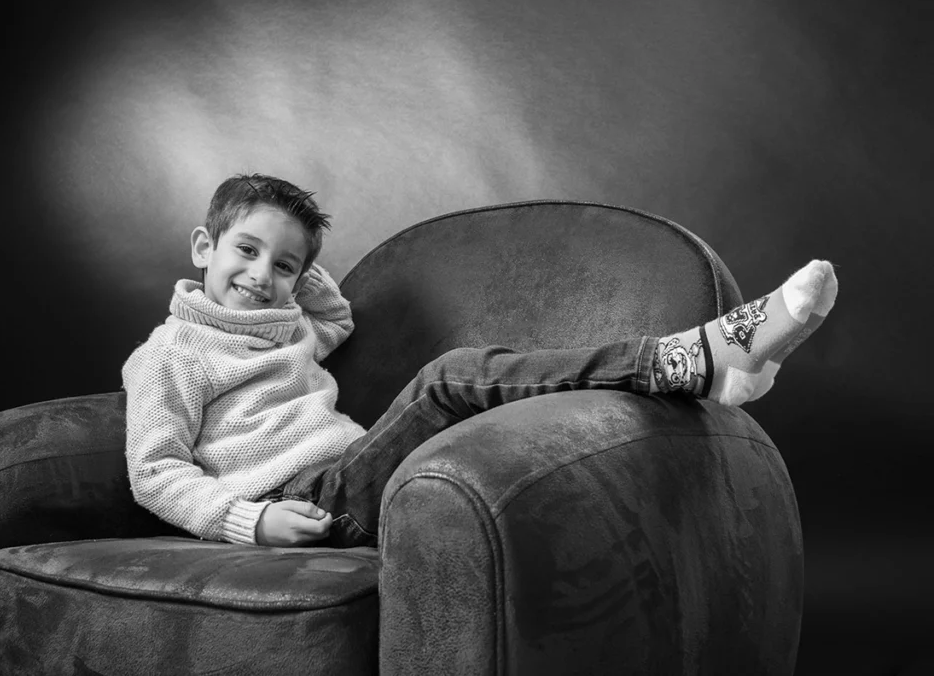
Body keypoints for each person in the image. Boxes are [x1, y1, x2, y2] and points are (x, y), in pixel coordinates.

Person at [122, 173, 838, 548]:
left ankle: (707, 367)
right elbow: (155, 473)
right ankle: (685, 360)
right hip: (300, 504)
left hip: (358, 472)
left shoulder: (286, 326)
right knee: (451, 376)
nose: (260, 276)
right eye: (245, 250)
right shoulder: (170, 355)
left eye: (284, 265)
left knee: (509, 421)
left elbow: (334, 319)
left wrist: (303, 276)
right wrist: (249, 523)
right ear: (202, 248)